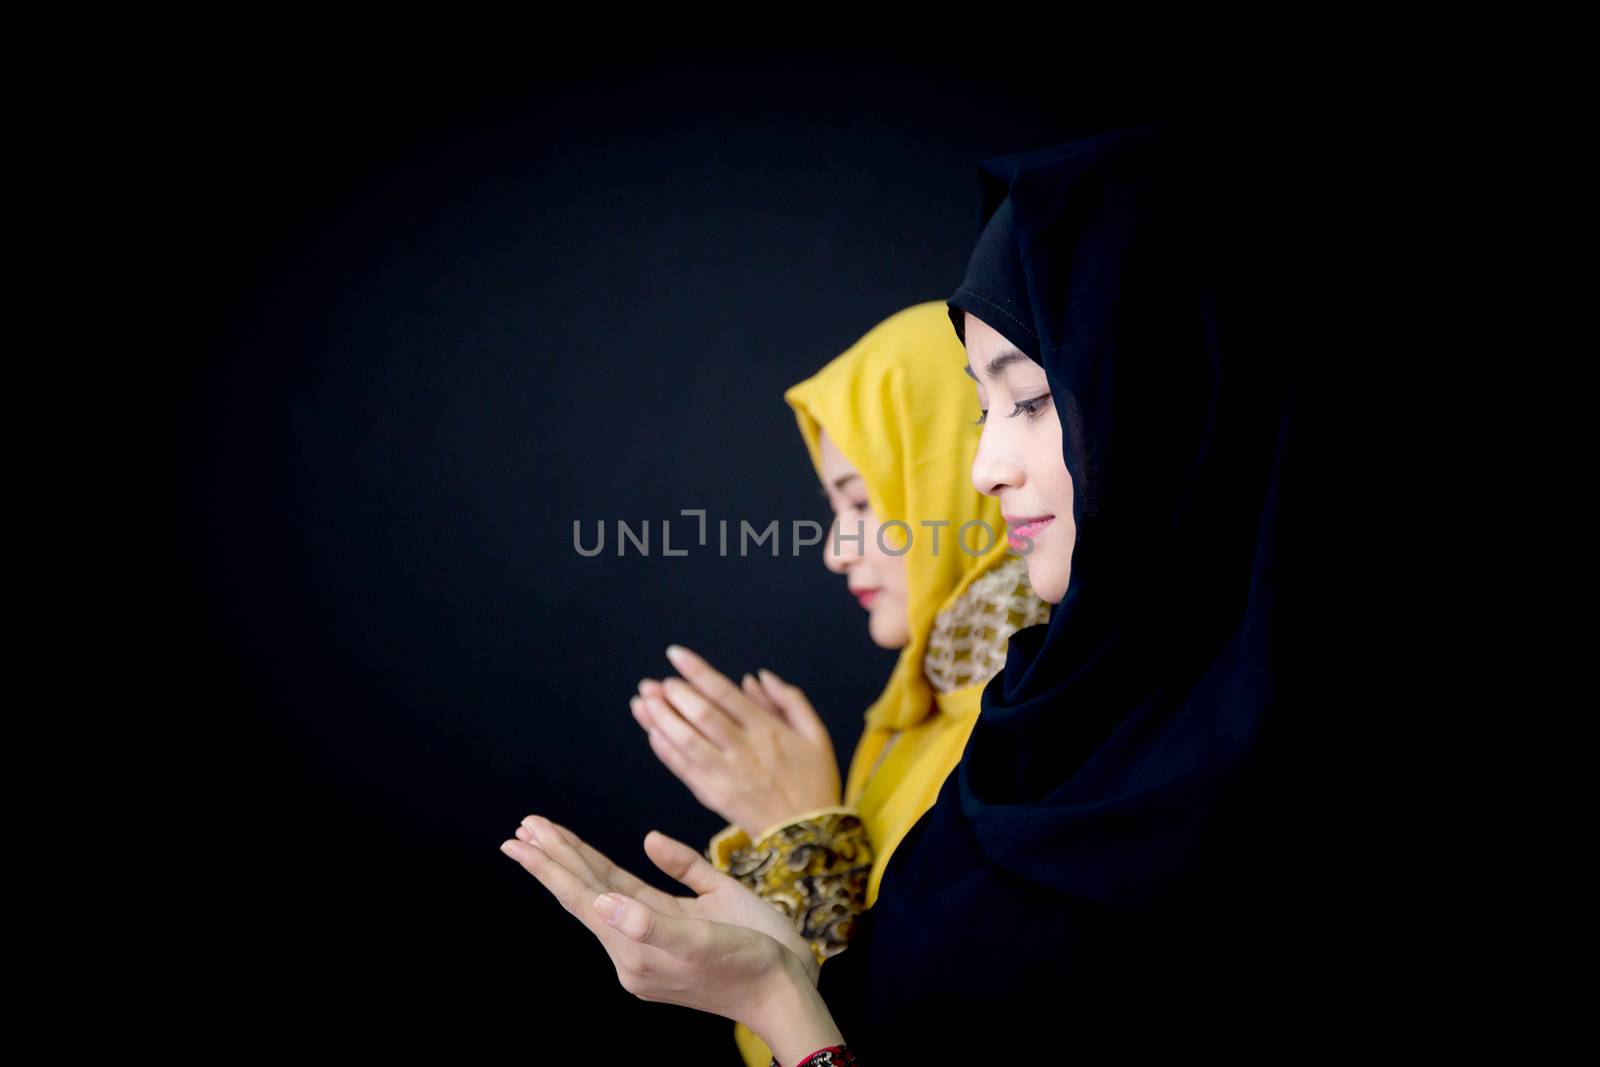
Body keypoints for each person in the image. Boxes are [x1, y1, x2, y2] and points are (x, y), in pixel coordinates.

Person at [499, 121, 1307, 1063]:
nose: (982, 469)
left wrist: (799, 860)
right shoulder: (1022, 729)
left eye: (1033, 399)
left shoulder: (1112, 756)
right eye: (978, 409)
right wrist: (778, 956)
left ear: (1163, 397)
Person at [627, 300, 1049, 1066]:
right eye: (835, 507)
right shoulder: (908, 718)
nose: (834, 550)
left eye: (861, 500)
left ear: (945, 481)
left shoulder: (1032, 743)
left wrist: (802, 832)